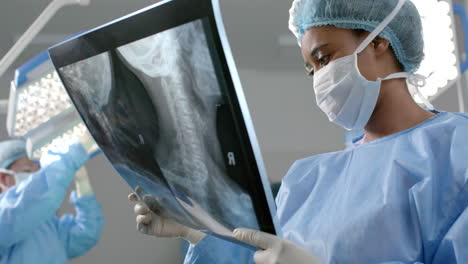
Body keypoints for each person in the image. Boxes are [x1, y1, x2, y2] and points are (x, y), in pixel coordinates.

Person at [130, 0, 468, 263]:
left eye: (325, 58)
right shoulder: (308, 180)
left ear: (379, 41)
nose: (320, 78)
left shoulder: (455, 150)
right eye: (311, 69)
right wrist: (195, 233)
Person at [0, 136, 105, 263]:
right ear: (3, 178)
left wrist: (82, 184)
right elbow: (39, 194)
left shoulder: (46, 223)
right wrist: (74, 152)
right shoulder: (5, 218)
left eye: (38, 170)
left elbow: (86, 234)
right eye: (27, 170)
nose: (35, 176)